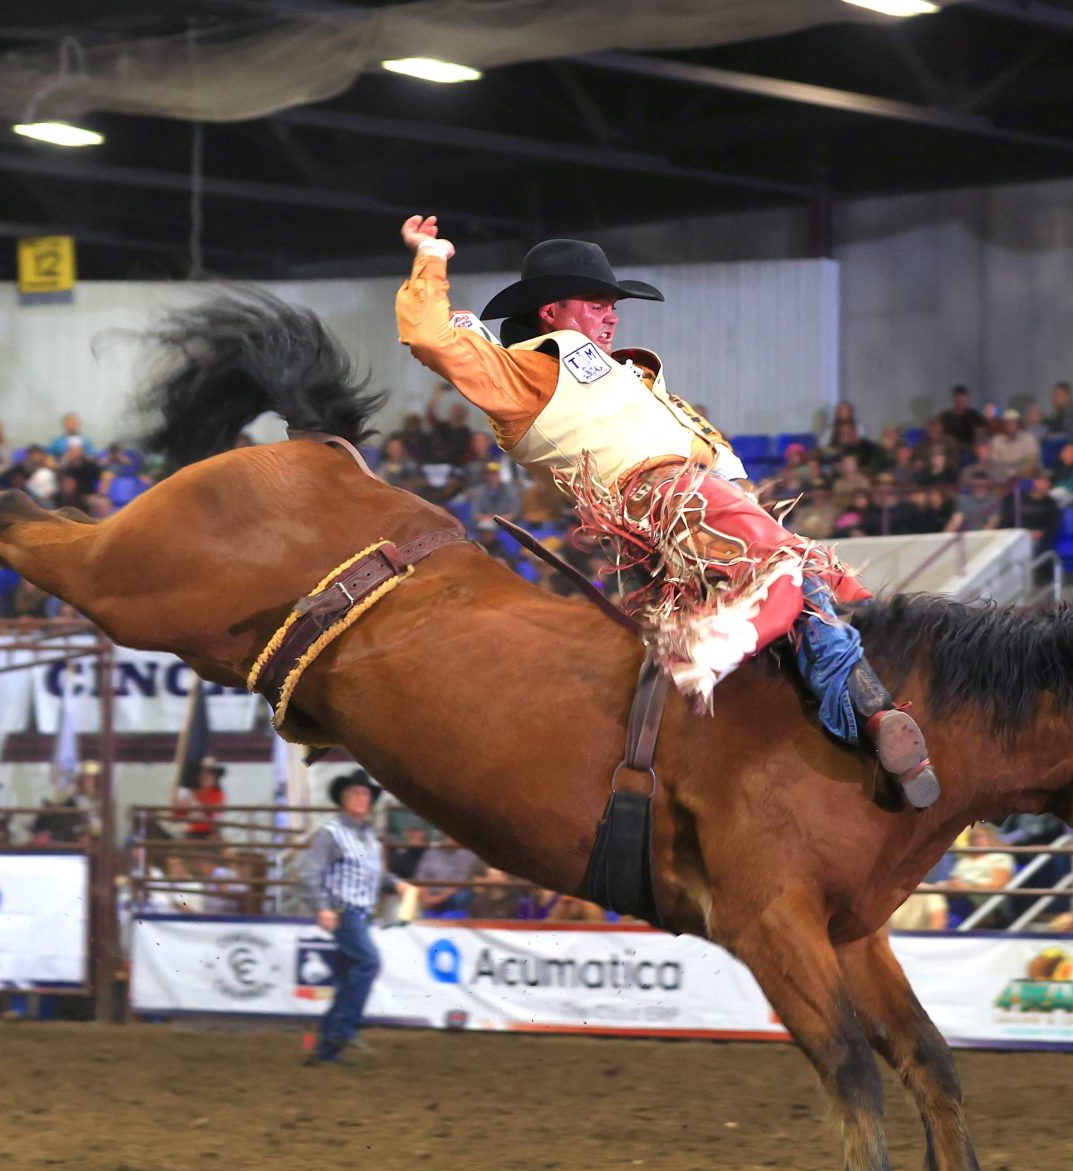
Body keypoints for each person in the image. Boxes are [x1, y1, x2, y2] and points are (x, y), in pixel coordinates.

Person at [394, 215, 935, 806]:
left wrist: (735, 486)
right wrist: (432, 257)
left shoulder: (624, 374)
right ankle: (715, 649)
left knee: (822, 583)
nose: (612, 314)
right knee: (785, 574)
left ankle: (872, 714)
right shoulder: (525, 371)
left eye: (612, 305)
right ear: (551, 311)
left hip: (699, 499)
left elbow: (703, 440)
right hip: (661, 499)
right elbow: (429, 336)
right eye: (597, 303)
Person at [299, 770, 401, 1065]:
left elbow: (375, 874)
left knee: (348, 979)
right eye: (355, 793)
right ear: (343, 800)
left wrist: (397, 884)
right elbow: (308, 871)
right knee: (369, 962)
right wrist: (322, 907)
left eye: (365, 794)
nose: (361, 798)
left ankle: (325, 1052)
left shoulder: (368, 836)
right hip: (344, 911)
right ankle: (344, 1029)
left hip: (360, 913)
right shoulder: (331, 833)